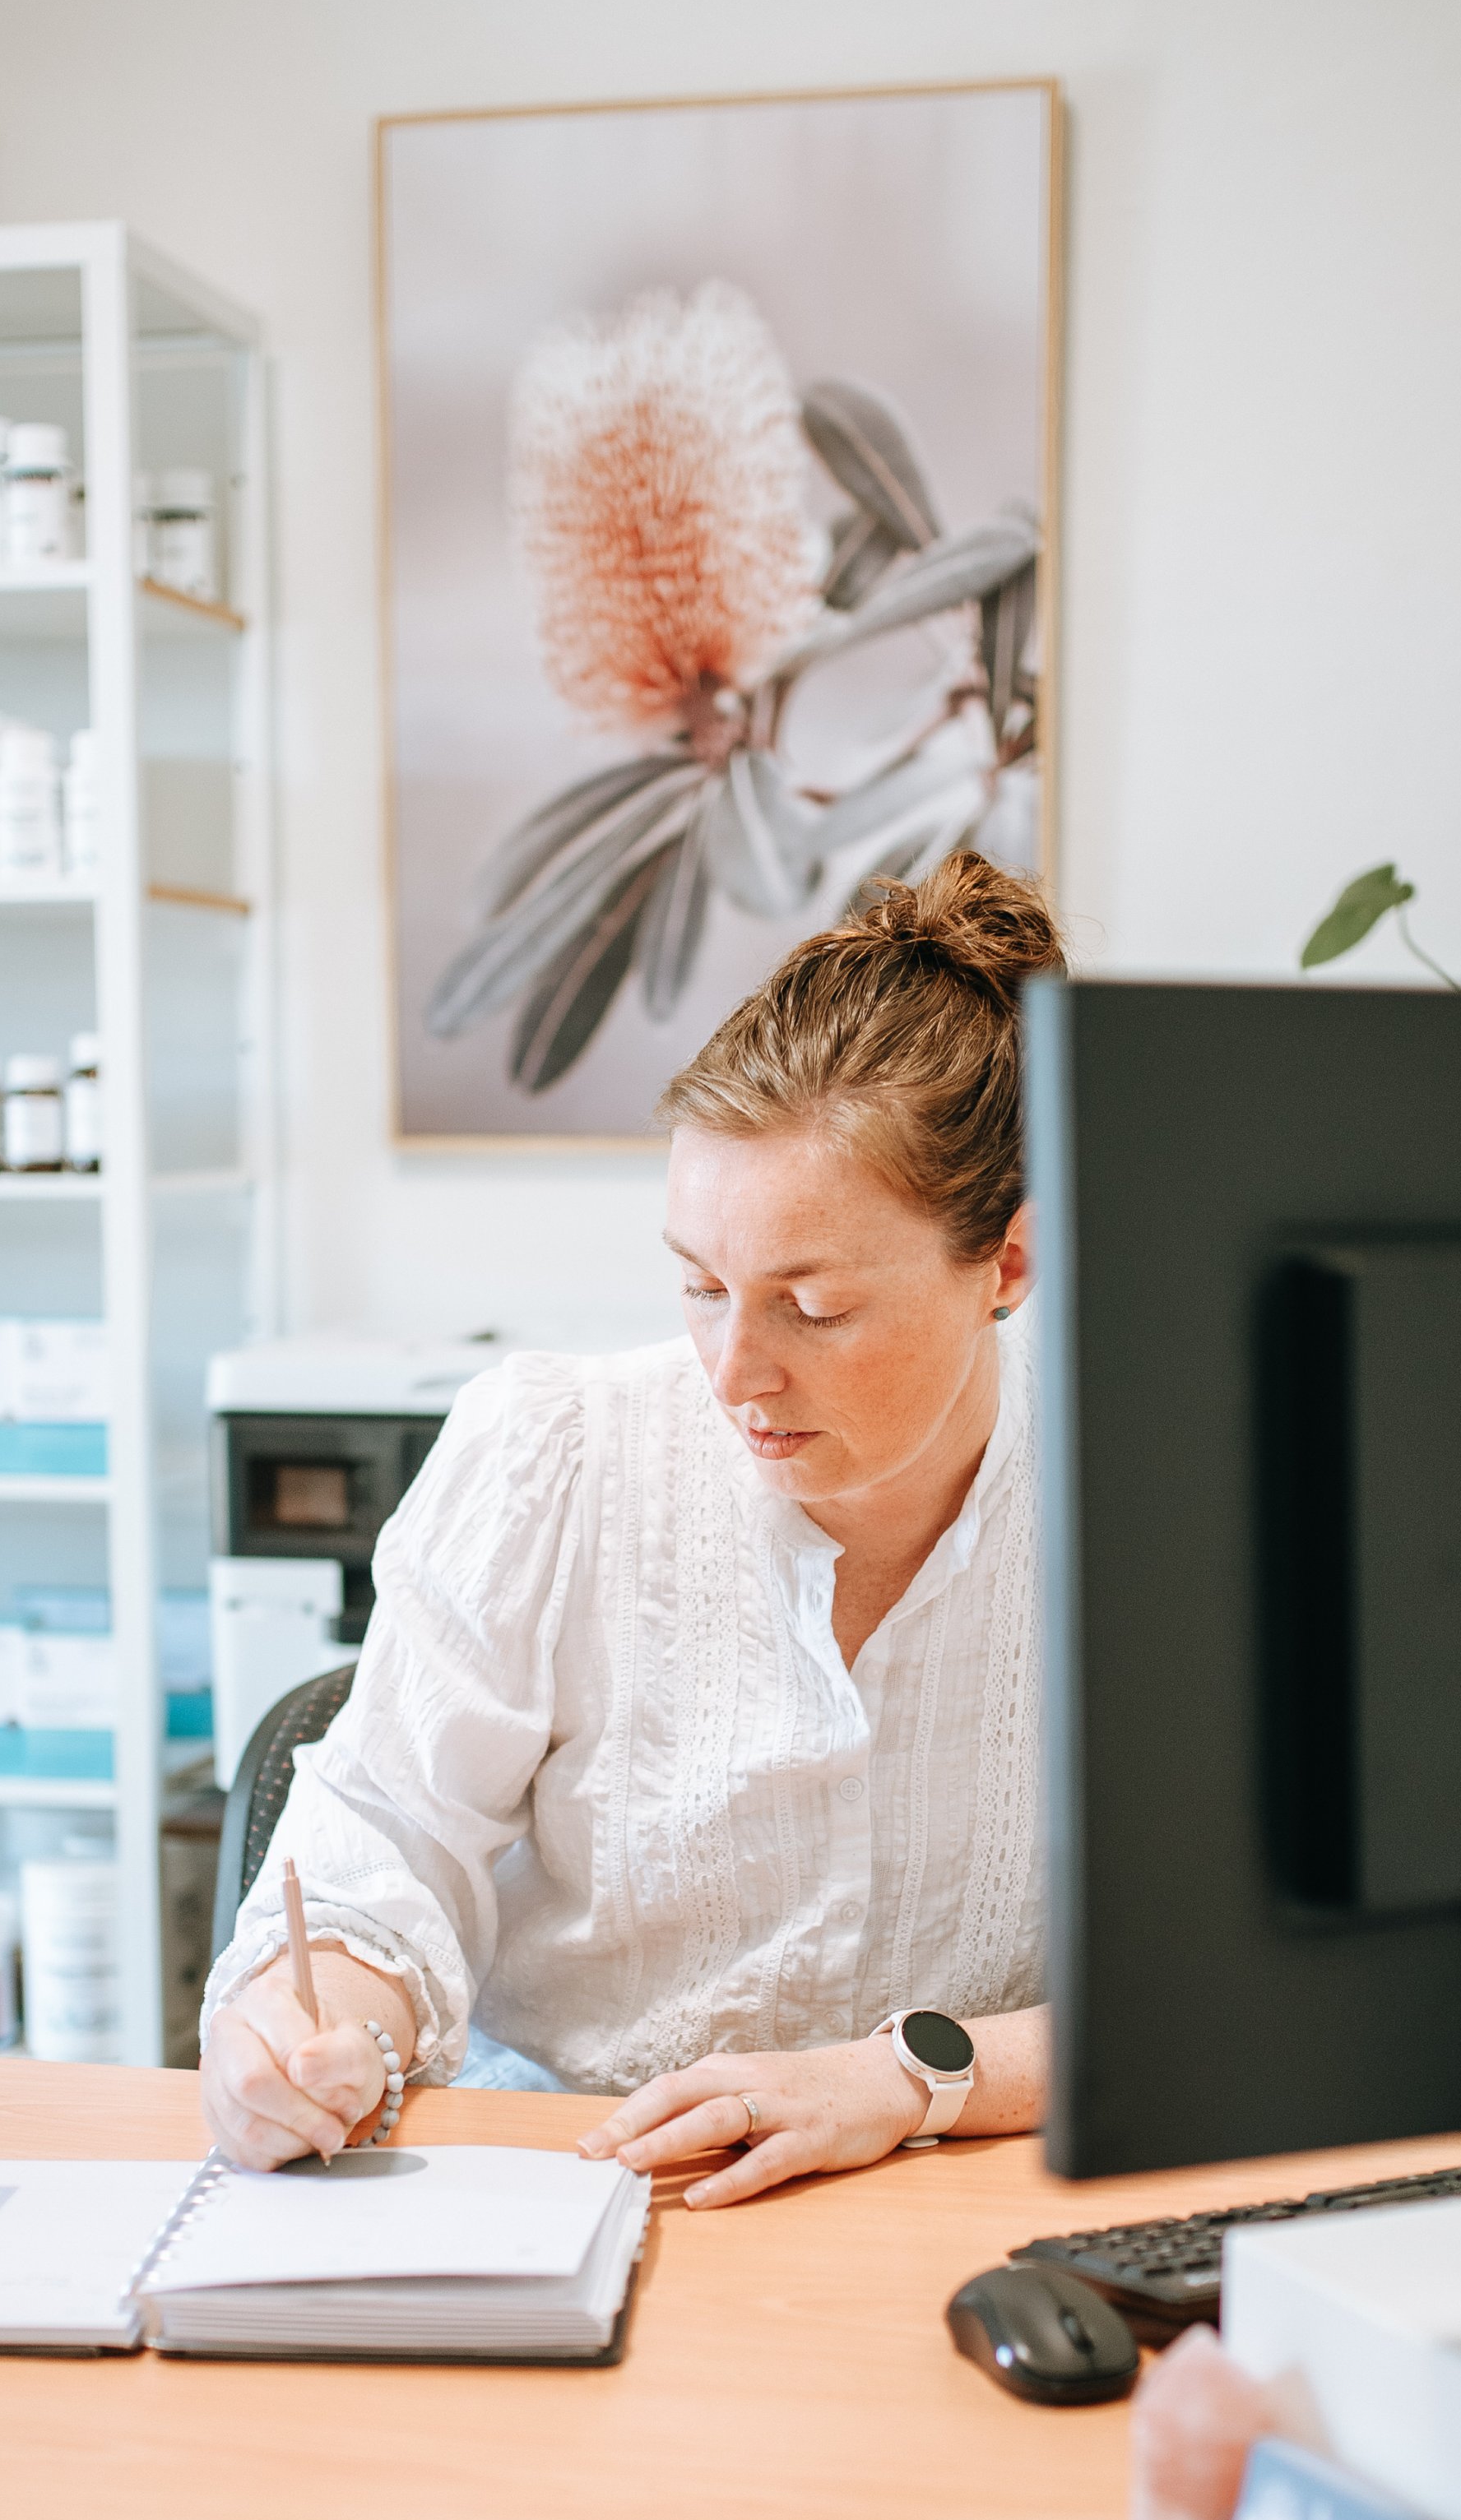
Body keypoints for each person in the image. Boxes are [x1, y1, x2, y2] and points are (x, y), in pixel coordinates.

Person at [200, 851, 1062, 2205]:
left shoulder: (1140, 1508)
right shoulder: (559, 1453)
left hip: (951, 2214)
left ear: (1005, 1263)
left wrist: (899, 2080)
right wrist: (318, 2033)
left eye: (814, 1308)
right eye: (701, 1284)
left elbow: (1237, 1993)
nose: (733, 1372)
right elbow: (385, 1844)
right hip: (570, 2189)